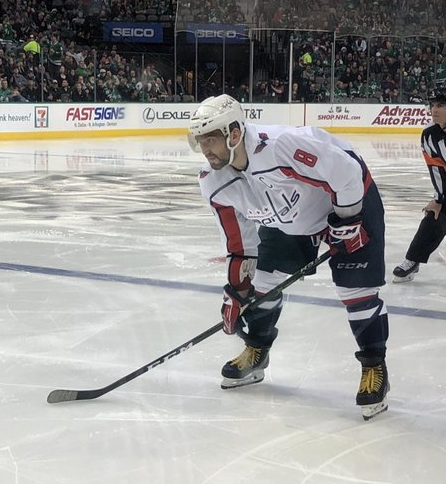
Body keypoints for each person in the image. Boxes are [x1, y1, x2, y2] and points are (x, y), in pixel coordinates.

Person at [188, 94, 390, 420]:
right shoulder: (214, 182)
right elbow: (240, 244)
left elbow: (346, 171)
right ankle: (256, 349)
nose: (205, 149)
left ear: (234, 134)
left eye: (211, 139)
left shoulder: (282, 146)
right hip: (288, 218)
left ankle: (373, 365)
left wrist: (349, 220)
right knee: (264, 281)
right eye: (201, 141)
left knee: (356, 291)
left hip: (348, 200)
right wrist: (237, 290)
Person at [393, 84, 446, 282]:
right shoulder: (429, 135)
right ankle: (413, 260)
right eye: (432, 105)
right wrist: (439, 199)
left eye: (441, 105)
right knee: (434, 216)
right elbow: (437, 169)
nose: (435, 110)